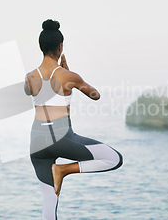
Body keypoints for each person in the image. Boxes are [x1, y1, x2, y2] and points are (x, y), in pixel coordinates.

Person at [24, 19, 123, 220]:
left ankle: (59, 172)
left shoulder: (29, 76)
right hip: (61, 138)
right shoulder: (68, 75)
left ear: (40, 46)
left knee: (49, 202)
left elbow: (28, 91)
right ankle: (63, 170)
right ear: (60, 47)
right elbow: (95, 95)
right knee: (114, 159)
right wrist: (68, 72)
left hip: (36, 143)